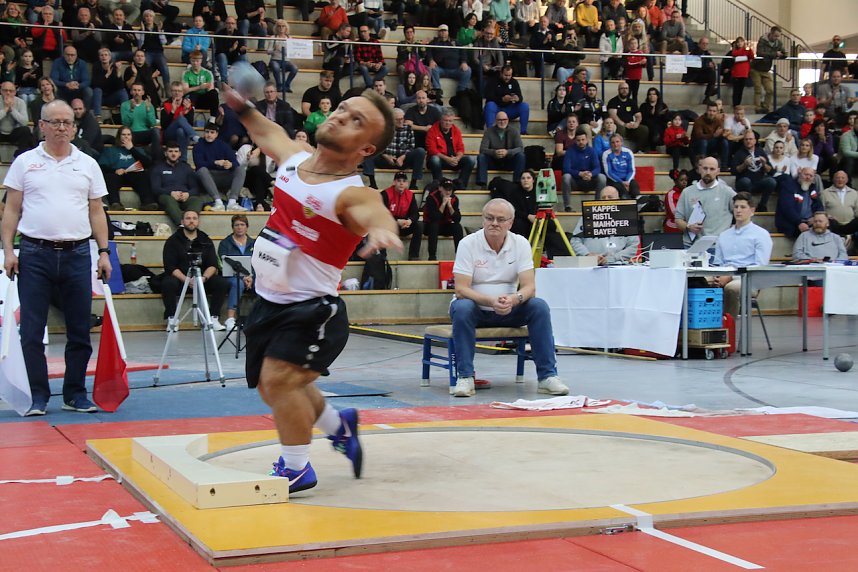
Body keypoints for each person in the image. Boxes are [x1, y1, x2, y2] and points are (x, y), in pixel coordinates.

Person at [222, 83, 401, 493]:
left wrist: (381, 230)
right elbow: (267, 132)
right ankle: (340, 427)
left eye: (357, 121)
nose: (340, 116)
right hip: (269, 300)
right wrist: (242, 105)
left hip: (313, 310)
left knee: (280, 381)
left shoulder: (350, 192)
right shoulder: (294, 160)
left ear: (366, 149)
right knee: (280, 388)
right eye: (342, 109)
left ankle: (297, 467)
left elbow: (373, 210)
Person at [2, 99, 111, 416]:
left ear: (75, 127)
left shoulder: (87, 164)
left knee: (79, 329)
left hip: (78, 253)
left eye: (67, 122)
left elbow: (96, 211)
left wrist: (103, 252)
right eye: (55, 122)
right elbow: (10, 209)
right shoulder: (24, 162)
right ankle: (37, 395)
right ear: (42, 125)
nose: (62, 127)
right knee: (32, 331)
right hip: (35, 253)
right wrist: (9, 250)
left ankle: (75, 393)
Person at [449, 197, 568, 398]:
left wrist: (514, 299)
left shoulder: (520, 243)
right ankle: (465, 377)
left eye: (500, 219)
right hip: (476, 310)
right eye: (489, 218)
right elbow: (461, 289)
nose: (494, 223)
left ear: (510, 223)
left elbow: (530, 286)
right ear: (482, 219)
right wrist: (490, 301)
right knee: (462, 307)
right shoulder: (468, 243)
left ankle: (548, 377)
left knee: (539, 306)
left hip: (510, 308)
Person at [161, 210, 231, 329]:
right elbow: (170, 266)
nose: (191, 221)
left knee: (222, 283)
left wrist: (203, 278)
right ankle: (172, 319)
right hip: (181, 279)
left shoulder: (205, 239)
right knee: (167, 283)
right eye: (188, 218)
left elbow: (213, 264)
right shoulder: (173, 240)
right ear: (182, 221)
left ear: (198, 221)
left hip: (202, 279)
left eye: (194, 218)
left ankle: (212, 318)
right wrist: (187, 280)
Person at [711, 192, 773, 318]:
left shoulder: (761, 235)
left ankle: (729, 326)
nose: (738, 210)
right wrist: (720, 276)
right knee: (696, 282)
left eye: (743, 207)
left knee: (731, 289)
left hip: (748, 278)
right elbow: (718, 262)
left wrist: (731, 277)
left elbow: (760, 266)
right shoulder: (724, 235)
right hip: (724, 274)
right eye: (736, 207)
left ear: (752, 210)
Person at [674, 156, 736, 247]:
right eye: (705, 168)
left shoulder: (728, 192)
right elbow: (678, 220)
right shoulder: (687, 192)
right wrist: (688, 227)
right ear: (699, 169)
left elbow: (741, 214)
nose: (708, 172)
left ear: (718, 171)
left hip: (718, 247)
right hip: (690, 246)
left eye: (712, 169)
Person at [570, 185, 640, 264]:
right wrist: (587, 254)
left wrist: (613, 258)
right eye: (603, 198)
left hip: (618, 265)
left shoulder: (627, 218)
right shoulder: (588, 217)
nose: (606, 200)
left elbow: (633, 246)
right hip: (591, 264)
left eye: (610, 197)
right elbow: (575, 241)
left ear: (618, 199)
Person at [362, 108, 425, 190]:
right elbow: (377, 145)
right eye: (398, 119)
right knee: (368, 150)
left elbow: (411, 147)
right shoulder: (384, 129)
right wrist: (386, 156)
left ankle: (413, 183)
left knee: (420, 151)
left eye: (402, 119)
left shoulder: (408, 128)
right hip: (386, 158)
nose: (401, 121)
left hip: (403, 160)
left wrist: (403, 157)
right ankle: (372, 183)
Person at [193, 121, 248, 212]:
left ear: (216, 134)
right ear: (204, 133)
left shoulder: (223, 145)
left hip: (223, 176)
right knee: (202, 170)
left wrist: (230, 164)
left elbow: (235, 162)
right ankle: (218, 202)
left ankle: (232, 202)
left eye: (212, 132)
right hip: (207, 177)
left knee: (240, 169)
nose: (209, 135)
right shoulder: (198, 146)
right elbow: (198, 164)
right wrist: (215, 162)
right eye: (207, 132)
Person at [98, 125, 155, 210]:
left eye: (128, 134)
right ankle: (115, 203)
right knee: (109, 177)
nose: (126, 137)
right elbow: (101, 166)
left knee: (143, 176)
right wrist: (115, 171)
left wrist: (131, 149)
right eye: (123, 134)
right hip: (117, 175)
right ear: (119, 136)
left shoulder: (138, 150)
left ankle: (147, 203)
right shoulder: (111, 150)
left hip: (134, 174)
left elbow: (147, 163)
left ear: (132, 136)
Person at [218, 214, 256, 331]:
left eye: (242, 225)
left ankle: (261, 316)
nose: (239, 227)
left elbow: (258, 262)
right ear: (232, 227)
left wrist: (251, 276)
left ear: (247, 227)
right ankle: (230, 319)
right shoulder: (225, 243)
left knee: (262, 284)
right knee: (237, 284)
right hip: (232, 276)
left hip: (251, 276)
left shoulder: (254, 243)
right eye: (236, 225)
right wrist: (243, 277)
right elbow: (222, 263)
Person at [152, 141, 204, 225]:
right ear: (165, 153)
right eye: (170, 151)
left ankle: (191, 222)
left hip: (185, 197)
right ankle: (183, 225)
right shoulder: (158, 168)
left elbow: (195, 188)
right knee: (168, 200)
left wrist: (188, 194)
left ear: (180, 153)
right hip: (167, 196)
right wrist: (171, 193)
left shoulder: (186, 167)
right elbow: (155, 189)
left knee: (197, 200)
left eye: (176, 151)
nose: (173, 154)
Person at [426, 108, 475, 187]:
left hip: (453, 159)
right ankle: (439, 184)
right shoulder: (432, 130)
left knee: (471, 159)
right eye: (445, 120)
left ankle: (461, 184)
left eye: (450, 121)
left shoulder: (456, 131)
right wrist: (447, 159)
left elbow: (460, 148)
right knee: (435, 159)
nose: (448, 123)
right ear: (441, 120)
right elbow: (432, 150)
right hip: (440, 160)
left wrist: (457, 158)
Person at [381, 171, 423, 260]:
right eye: (399, 180)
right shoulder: (385, 194)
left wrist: (409, 221)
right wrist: (396, 222)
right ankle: (382, 257)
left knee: (419, 225)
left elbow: (415, 214)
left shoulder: (410, 195)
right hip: (389, 225)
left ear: (407, 183)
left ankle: (413, 255)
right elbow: (382, 215)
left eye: (404, 181)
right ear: (394, 182)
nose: (401, 183)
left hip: (404, 225)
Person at [731, 130, 776, 212]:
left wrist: (764, 164)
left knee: (771, 181)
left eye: (751, 139)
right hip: (744, 183)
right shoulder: (739, 153)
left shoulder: (760, 151)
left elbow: (771, 171)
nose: (748, 141)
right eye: (746, 139)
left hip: (758, 182)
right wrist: (744, 165)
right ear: (743, 141)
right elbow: (733, 171)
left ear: (755, 140)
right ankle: (749, 205)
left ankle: (762, 206)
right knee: (746, 181)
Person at [476, 112, 525, 188]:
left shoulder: (514, 131)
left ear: (508, 120)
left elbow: (520, 148)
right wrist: (494, 152)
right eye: (499, 120)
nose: (502, 122)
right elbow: (482, 149)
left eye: (504, 119)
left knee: (521, 156)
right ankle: (482, 183)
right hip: (493, 161)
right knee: (481, 156)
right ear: (496, 120)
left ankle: (517, 183)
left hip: (509, 161)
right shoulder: (489, 131)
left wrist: (508, 152)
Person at [562, 127, 606, 208]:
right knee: (566, 177)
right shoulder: (570, 151)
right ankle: (567, 205)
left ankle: (598, 205)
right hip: (575, 181)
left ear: (587, 140)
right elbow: (566, 169)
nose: (581, 142)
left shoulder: (592, 151)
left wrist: (590, 174)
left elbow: (597, 168)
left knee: (602, 177)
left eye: (583, 140)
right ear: (575, 141)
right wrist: (580, 174)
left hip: (590, 180)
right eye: (578, 140)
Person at [775, 167, 822, 239]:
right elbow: (787, 208)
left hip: (809, 221)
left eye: (811, 176)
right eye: (806, 174)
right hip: (792, 222)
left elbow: (818, 205)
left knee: (829, 224)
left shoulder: (812, 188)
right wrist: (799, 222)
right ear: (800, 174)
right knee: (806, 232)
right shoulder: (789, 186)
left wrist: (816, 217)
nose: (808, 177)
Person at [423, 177, 463, 261]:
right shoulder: (431, 198)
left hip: (445, 225)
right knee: (434, 226)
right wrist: (443, 204)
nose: (448, 192)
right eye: (446, 189)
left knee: (458, 227)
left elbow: (457, 219)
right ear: (440, 188)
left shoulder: (454, 199)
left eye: (450, 190)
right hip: (429, 226)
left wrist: (450, 206)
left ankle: (460, 256)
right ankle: (432, 256)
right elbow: (434, 218)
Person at [427, 24, 472, 94]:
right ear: (438, 32)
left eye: (445, 31)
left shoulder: (455, 42)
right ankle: (437, 90)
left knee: (468, 70)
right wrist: (431, 60)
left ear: (448, 32)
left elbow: (463, 51)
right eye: (441, 31)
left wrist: (464, 62)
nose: (443, 32)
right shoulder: (433, 42)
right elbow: (428, 52)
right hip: (440, 69)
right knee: (431, 69)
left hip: (455, 69)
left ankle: (461, 91)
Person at [484, 65, 529, 135]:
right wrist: (502, 99)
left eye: (509, 75)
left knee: (524, 106)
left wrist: (517, 98)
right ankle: (490, 131)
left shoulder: (514, 82)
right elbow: (489, 97)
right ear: (501, 73)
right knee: (490, 105)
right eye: (505, 75)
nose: (507, 77)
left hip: (509, 109)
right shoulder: (492, 81)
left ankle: (523, 131)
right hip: (497, 109)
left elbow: (520, 97)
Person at [750, 26, 785, 114]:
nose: (776, 38)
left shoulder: (778, 43)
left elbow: (784, 52)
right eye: (775, 36)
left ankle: (765, 107)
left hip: (766, 69)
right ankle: (757, 108)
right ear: (771, 34)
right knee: (758, 89)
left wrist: (782, 54)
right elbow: (760, 53)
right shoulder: (762, 40)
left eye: (778, 36)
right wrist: (775, 54)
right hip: (756, 68)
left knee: (770, 90)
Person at [120, 82, 160, 159]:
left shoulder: (148, 105)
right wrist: (131, 110)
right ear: (131, 92)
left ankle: (156, 157)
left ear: (143, 92)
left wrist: (148, 110)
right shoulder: (125, 105)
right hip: (131, 134)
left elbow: (152, 123)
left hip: (145, 133)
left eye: (139, 90)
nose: (137, 92)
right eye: (134, 90)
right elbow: (125, 124)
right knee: (125, 135)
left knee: (156, 130)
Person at [606, 82, 649, 152]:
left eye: (626, 88)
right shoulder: (613, 101)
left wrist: (636, 123)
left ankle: (640, 150)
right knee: (621, 128)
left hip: (630, 126)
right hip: (619, 125)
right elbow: (613, 115)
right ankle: (620, 150)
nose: (624, 90)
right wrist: (624, 124)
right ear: (618, 90)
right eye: (622, 88)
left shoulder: (631, 102)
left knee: (644, 129)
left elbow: (638, 115)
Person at [161, 81, 196, 163]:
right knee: (180, 119)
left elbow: (190, 124)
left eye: (179, 91)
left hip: (183, 136)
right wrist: (172, 111)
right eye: (174, 91)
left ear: (183, 92)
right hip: (169, 135)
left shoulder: (188, 104)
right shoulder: (165, 104)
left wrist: (187, 112)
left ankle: (183, 161)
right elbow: (164, 126)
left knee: (180, 131)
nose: (177, 93)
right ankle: (194, 136)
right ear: (171, 92)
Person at [90, 47, 127, 122]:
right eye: (102, 55)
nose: (104, 57)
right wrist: (107, 75)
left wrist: (119, 72)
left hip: (111, 98)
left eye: (106, 55)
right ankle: (98, 116)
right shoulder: (96, 66)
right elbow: (95, 85)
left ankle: (126, 117)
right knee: (97, 90)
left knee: (122, 92)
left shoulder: (114, 67)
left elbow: (120, 87)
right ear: (99, 57)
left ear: (110, 57)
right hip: (100, 98)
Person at [0, 81, 35, 156]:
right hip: (1, 132)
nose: (8, 93)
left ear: (15, 92)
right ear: (1, 91)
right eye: (5, 90)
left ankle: (20, 155)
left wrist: (12, 109)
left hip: (13, 133)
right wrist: (5, 109)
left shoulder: (20, 102)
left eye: (11, 91)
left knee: (26, 130)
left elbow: (25, 122)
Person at [602, 133, 639, 198]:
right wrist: (621, 182)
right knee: (622, 192)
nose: (615, 144)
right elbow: (609, 172)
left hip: (627, 179)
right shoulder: (606, 154)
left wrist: (627, 181)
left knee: (634, 187)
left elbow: (632, 170)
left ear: (621, 142)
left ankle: (637, 205)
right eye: (613, 142)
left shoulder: (628, 152)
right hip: (614, 180)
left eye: (617, 142)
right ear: (610, 144)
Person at [214, 16, 248, 86]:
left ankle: (244, 81)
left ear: (235, 25)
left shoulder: (239, 34)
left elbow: (241, 50)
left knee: (244, 57)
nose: (230, 25)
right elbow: (219, 50)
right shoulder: (220, 34)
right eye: (228, 23)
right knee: (222, 55)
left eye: (232, 23)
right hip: (222, 58)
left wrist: (243, 50)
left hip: (234, 57)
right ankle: (224, 81)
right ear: (225, 24)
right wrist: (231, 49)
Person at [182, 50, 218, 114]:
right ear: (190, 61)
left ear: (201, 61)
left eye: (197, 61)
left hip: (204, 98)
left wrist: (207, 87)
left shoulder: (208, 73)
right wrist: (199, 87)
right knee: (192, 95)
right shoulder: (186, 73)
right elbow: (184, 91)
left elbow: (211, 89)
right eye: (193, 61)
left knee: (214, 93)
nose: (195, 63)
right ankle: (190, 114)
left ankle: (213, 119)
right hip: (192, 98)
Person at [683, 36, 717, 104]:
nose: (705, 45)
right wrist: (707, 66)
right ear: (699, 44)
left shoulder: (707, 53)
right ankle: (709, 94)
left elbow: (709, 64)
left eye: (706, 44)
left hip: (701, 74)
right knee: (711, 73)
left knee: (712, 72)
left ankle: (708, 96)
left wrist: (712, 65)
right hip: (693, 75)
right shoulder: (694, 52)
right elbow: (694, 67)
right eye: (703, 43)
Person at [268, 19, 298, 93]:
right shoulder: (273, 37)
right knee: (276, 67)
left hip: (286, 61)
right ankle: (279, 85)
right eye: (279, 26)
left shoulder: (289, 38)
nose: (281, 28)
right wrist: (274, 49)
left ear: (286, 28)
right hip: (275, 60)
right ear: (276, 28)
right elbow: (268, 51)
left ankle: (286, 85)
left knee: (295, 68)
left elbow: (293, 51)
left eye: (283, 26)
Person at [354, 24, 388, 89]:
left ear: (369, 31)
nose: (363, 33)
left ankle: (371, 85)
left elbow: (380, 57)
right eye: (361, 32)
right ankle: (371, 86)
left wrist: (379, 64)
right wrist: (365, 63)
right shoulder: (357, 43)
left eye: (365, 31)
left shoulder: (375, 42)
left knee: (385, 69)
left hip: (374, 64)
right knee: (364, 68)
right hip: (363, 65)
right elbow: (357, 58)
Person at [728, 36, 753, 108]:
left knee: (740, 91)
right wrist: (744, 52)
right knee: (736, 90)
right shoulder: (735, 50)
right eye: (738, 42)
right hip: (736, 73)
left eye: (741, 42)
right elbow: (735, 54)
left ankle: (738, 104)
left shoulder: (747, 50)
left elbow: (751, 56)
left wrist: (748, 49)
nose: (739, 43)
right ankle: (735, 104)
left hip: (744, 74)